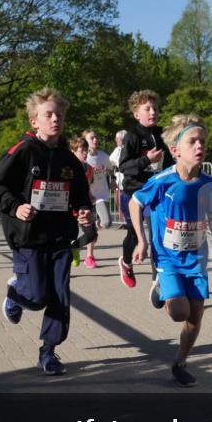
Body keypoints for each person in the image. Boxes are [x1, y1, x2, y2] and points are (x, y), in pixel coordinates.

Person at [0, 88, 93, 376]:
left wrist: (84, 210)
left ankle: (48, 352)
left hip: (60, 238)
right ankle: (15, 294)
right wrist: (16, 207)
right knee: (36, 296)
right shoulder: (22, 151)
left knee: (60, 296)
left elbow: (81, 195)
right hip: (29, 238)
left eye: (59, 114)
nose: (55, 119)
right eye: (48, 114)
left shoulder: (69, 160)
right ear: (35, 120)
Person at [130, 114, 212, 386]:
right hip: (168, 258)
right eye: (192, 142)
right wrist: (141, 240)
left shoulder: (208, 183)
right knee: (179, 312)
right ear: (175, 151)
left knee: (196, 314)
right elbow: (135, 203)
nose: (200, 146)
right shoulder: (162, 181)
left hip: (196, 258)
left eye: (202, 141)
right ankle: (161, 284)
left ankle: (180, 363)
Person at [117, 90, 170, 296]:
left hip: (158, 192)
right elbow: (124, 166)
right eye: (147, 109)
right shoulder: (133, 136)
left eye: (155, 108)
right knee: (134, 234)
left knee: (158, 235)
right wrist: (147, 160)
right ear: (136, 114)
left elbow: (170, 161)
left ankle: (158, 279)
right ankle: (126, 262)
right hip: (135, 193)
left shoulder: (163, 134)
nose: (153, 112)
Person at [83, 129, 115, 268]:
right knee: (89, 228)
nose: (95, 140)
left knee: (107, 222)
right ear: (86, 141)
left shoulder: (103, 156)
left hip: (101, 195)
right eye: (92, 138)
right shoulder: (83, 158)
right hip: (87, 196)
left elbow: (110, 169)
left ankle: (95, 227)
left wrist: (113, 179)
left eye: (96, 137)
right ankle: (89, 256)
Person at [68, 134, 99, 266]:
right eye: (82, 151)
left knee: (92, 234)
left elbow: (88, 185)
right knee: (68, 235)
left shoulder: (89, 168)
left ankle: (75, 247)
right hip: (69, 207)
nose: (85, 153)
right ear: (72, 151)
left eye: (86, 150)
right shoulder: (66, 169)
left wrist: (90, 195)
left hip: (84, 206)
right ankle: (65, 261)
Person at [109, 129, 128, 228]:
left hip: (125, 176)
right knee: (117, 200)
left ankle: (127, 220)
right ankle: (123, 220)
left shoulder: (127, 149)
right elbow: (111, 161)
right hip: (117, 176)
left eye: (118, 138)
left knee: (125, 199)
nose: (116, 140)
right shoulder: (117, 149)